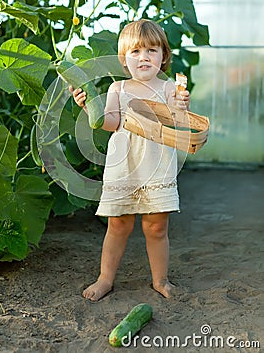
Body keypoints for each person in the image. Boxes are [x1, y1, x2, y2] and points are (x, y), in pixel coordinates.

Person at [69, 19, 190, 301]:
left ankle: (160, 280)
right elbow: (111, 122)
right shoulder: (118, 90)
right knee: (118, 223)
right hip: (124, 163)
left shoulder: (170, 88)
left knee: (156, 226)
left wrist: (182, 107)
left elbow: (180, 123)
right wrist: (90, 107)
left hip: (157, 163)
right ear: (124, 60)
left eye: (151, 50)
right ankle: (105, 279)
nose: (144, 57)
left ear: (164, 56)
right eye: (135, 52)